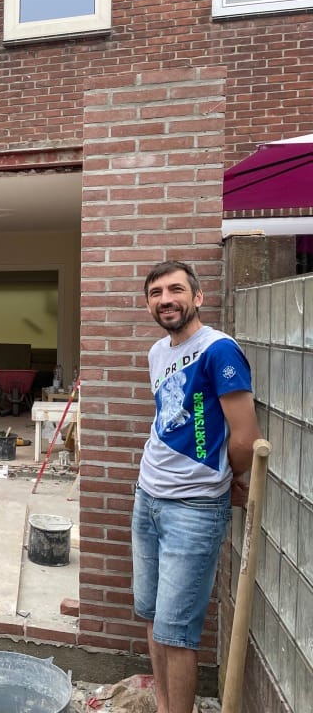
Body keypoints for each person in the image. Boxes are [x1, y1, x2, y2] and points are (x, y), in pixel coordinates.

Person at [133, 260, 261, 713]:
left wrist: (232, 478)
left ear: (198, 297)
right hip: (147, 496)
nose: (165, 300)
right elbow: (168, 420)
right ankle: (164, 705)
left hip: (194, 507)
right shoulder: (157, 353)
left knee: (178, 633)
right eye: (155, 293)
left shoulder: (219, 350)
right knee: (151, 615)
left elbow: (245, 436)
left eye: (175, 290)